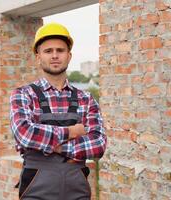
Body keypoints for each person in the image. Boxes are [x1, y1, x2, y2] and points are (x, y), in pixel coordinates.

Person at [10, 22, 107, 200]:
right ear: (38, 57)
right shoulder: (24, 94)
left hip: (77, 187)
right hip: (37, 187)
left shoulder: (86, 99)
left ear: (69, 56)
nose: (55, 55)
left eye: (60, 50)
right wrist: (72, 132)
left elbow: (98, 144)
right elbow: (25, 134)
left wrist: (56, 147)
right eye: (48, 51)